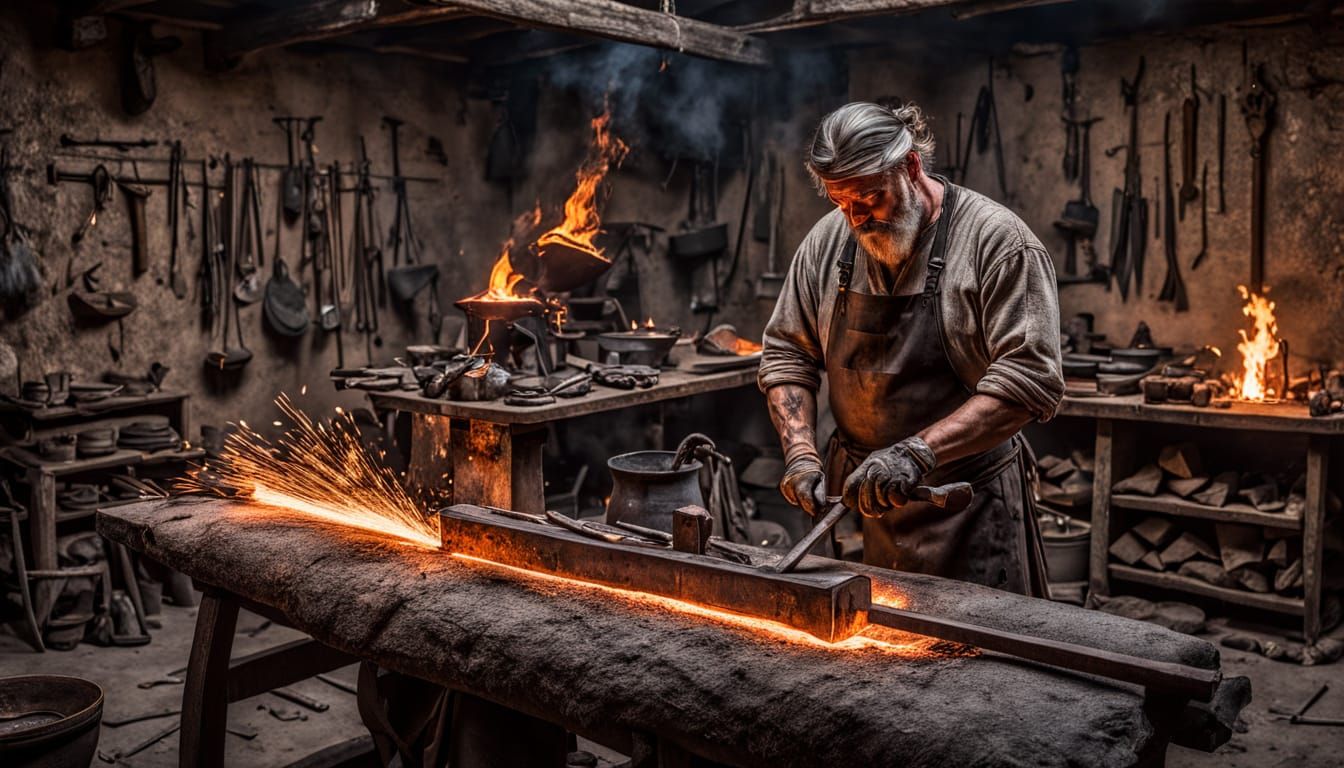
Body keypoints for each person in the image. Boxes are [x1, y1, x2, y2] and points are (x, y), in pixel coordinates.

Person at [759, 101, 1064, 596]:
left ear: (911, 166)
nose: (856, 219)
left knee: (981, 663)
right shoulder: (828, 242)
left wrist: (916, 454)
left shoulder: (997, 243)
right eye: (842, 203)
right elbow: (787, 354)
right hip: (861, 500)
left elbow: (1028, 383)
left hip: (965, 505)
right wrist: (800, 454)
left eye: (871, 198)